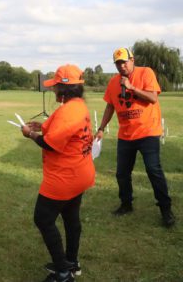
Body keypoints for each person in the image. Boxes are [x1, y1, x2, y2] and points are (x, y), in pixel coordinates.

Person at [21, 64, 95, 282]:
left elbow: (50, 144)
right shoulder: (78, 105)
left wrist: (30, 134)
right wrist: (42, 126)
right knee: (71, 218)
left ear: (64, 89)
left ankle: (63, 272)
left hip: (65, 177)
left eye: (55, 87)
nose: (53, 91)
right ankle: (72, 262)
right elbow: (66, 131)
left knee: (43, 219)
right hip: (81, 172)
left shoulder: (67, 110)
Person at [95, 47, 175, 227]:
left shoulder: (146, 73)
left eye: (124, 61)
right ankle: (126, 204)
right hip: (125, 135)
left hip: (148, 132)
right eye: (117, 63)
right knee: (122, 173)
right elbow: (110, 107)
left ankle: (166, 210)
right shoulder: (113, 83)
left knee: (153, 171)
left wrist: (131, 87)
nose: (121, 66)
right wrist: (101, 128)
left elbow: (152, 98)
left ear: (132, 60)